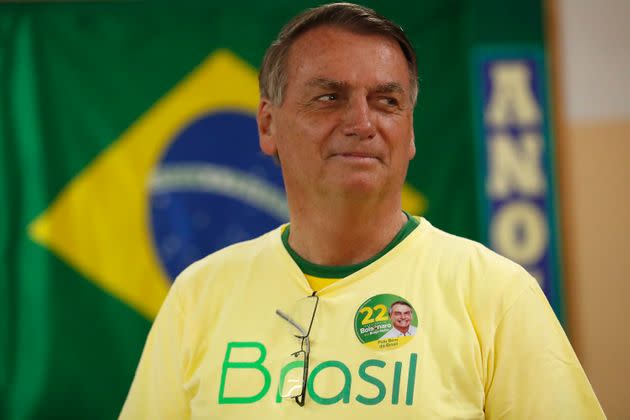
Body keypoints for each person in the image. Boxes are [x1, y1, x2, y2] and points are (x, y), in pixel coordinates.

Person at [121, 3, 605, 418]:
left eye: (387, 101)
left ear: (410, 132)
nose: (361, 122)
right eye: (329, 98)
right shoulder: (199, 297)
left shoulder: (496, 294)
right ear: (268, 125)